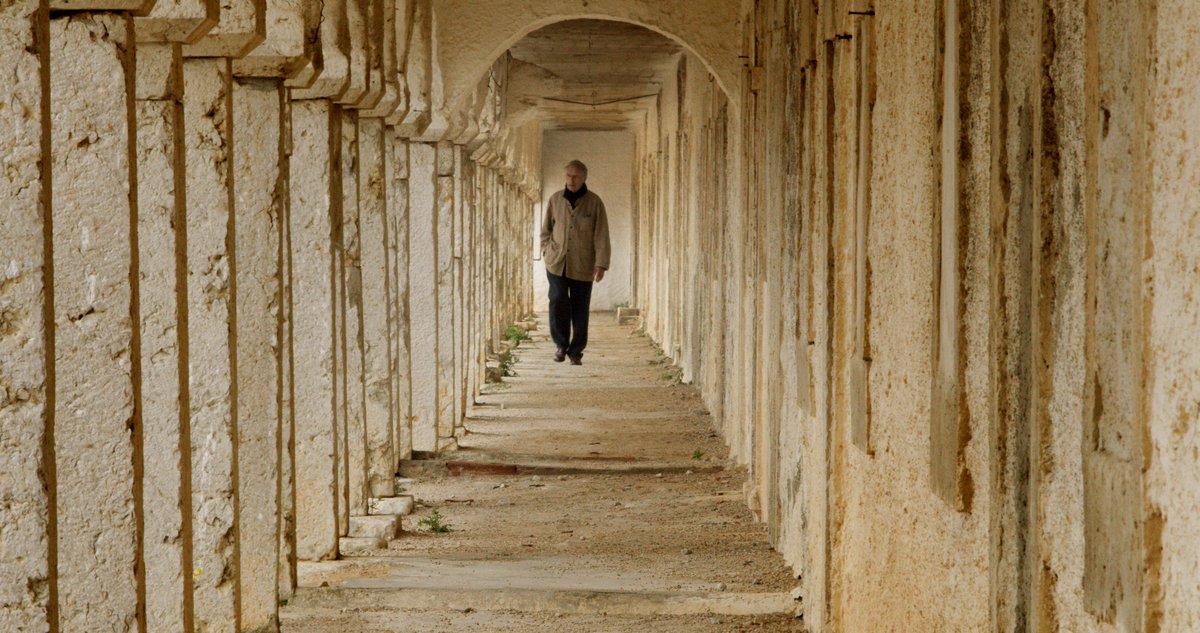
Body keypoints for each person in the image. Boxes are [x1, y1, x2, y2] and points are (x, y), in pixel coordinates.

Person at [540, 159, 611, 366]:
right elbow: (546, 230)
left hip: (583, 263)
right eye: (568, 175)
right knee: (557, 300)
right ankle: (561, 345)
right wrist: (546, 250)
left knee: (580, 306)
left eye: (576, 176)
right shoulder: (555, 200)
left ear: (584, 178)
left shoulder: (594, 202)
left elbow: (601, 234)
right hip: (557, 262)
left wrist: (601, 263)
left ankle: (576, 350)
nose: (571, 180)